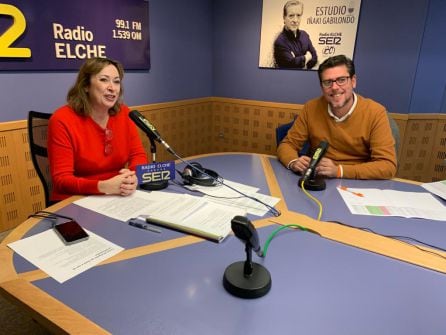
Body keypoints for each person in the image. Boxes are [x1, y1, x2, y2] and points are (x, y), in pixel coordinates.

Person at [277, 54, 397, 180]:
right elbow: (287, 145)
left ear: (353, 81)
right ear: (322, 87)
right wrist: (294, 162)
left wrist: (339, 171)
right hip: (317, 179)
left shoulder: (376, 112)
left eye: (341, 80)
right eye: (327, 82)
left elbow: (387, 166)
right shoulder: (311, 108)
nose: (334, 87)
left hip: (356, 183)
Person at [48, 57, 148, 201]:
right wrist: (103, 186)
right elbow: (62, 180)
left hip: (117, 196)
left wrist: (133, 177)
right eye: (104, 80)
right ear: (85, 86)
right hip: (74, 199)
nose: (112, 88)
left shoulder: (125, 113)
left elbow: (138, 155)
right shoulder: (61, 119)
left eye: (116, 81)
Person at [274, 0, 318, 69]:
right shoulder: (280, 42)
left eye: (298, 15)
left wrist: (298, 61)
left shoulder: (305, 35)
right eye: (291, 16)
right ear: (284, 17)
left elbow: (314, 57)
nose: (295, 20)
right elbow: (291, 64)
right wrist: (306, 57)